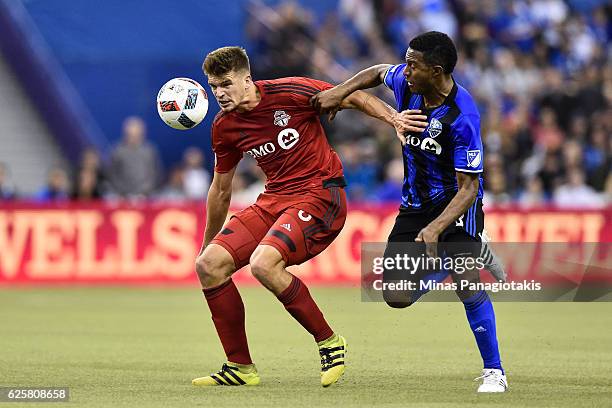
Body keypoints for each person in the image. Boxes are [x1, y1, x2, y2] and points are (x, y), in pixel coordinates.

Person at [192, 46, 414, 388]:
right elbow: (221, 190)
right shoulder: (225, 126)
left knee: (263, 264)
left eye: (225, 83)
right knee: (209, 266)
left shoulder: (292, 91)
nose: (219, 93)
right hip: (275, 199)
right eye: (213, 86)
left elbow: (350, 98)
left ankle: (329, 343)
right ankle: (240, 367)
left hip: (321, 193)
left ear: (246, 78)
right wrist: (208, 245)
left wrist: (393, 117)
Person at [311, 31, 508, 393]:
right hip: (414, 204)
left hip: (454, 205)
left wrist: (436, 229)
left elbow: (469, 188)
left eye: (413, 65)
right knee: (396, 296)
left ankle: (495, 370)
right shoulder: (408, 81)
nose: (406, 69)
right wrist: (340, 91)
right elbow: (375, 72)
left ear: (435, 71)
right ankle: (459, 257)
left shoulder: (463, 116)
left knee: (467, 282)